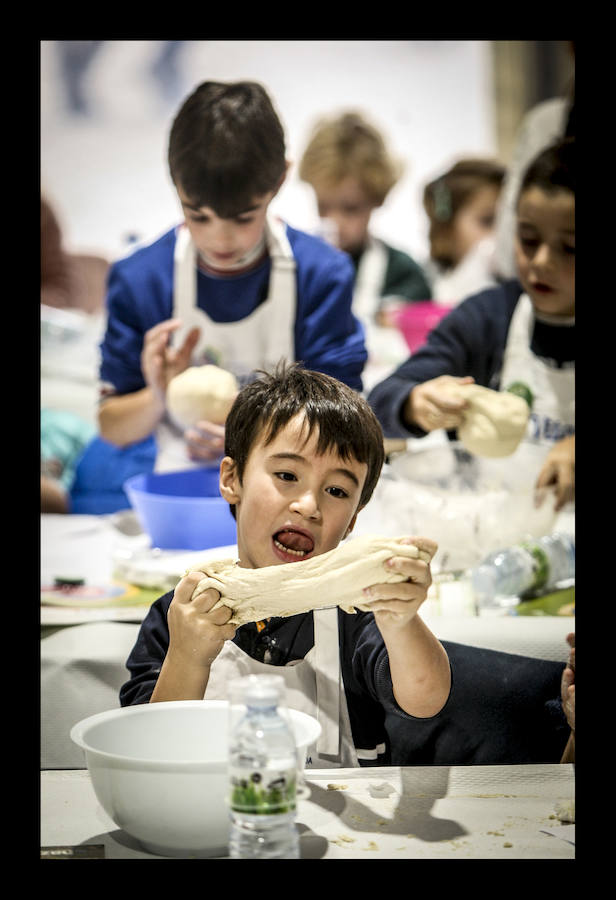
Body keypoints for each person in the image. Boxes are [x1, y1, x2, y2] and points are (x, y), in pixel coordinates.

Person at [121, 363, 570, 767]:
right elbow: (146, 755)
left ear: (353, 519)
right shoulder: (175, 615)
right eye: (286, 476)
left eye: (336, 491)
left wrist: (400, 619)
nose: (308, 505)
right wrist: (187, 655)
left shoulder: (352, 614)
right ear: (231, 479)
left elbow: (426, 699)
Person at [96, 81, 367, 475]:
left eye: (243, 217)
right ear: (175, 184)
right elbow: (113, 428)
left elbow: (345, 423)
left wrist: (248, 436)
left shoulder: (321, 275)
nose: (219, 238)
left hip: (290, 493)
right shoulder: (140, 279)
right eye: (198, 215)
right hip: (180, 490)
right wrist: (159, 393)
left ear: (279, 181)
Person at [368, 138, 575, 511]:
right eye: (528, 239)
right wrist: (413, 403)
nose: (542, 261)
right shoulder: (488, 317)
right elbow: (378, 403)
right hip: (500, 530)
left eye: (570, 247)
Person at [298, 112, 431, 323]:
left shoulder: (404, 274)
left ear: (377, 198)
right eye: (323, 206)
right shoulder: (296, 267)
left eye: (350, 209)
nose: (335, 223)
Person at [422, 158, 506, 306]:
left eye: (508, 224)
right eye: (488, 221)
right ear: (446, 228)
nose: (500, 236)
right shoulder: (424, 285)